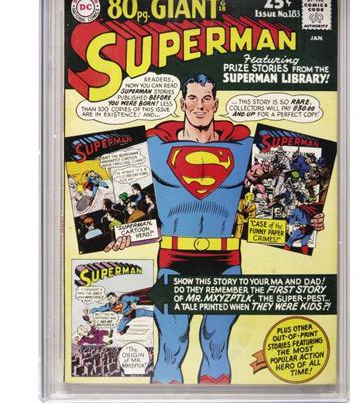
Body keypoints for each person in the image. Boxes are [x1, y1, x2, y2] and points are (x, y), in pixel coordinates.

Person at [107, 73, 325, 383]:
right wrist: (118, 234)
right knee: (171, 344)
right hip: (175, 259)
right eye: (193, 98)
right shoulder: (153, 148)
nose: (200, 105)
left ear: (216, 103)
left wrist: (309, 218)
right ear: (182, 103)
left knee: (216, 342)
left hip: (225, 259)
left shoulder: (246, 149)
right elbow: (124, 191)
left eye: (206, 98)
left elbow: (281, 197)